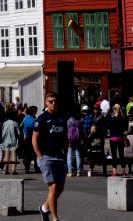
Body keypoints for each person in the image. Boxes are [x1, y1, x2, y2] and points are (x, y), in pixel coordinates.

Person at [33, 92, 67, 221]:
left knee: (60, 188)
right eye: (51, 101)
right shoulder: (41, 119)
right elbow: (34, 140)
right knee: (52, 187)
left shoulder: (61, 118)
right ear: (46, 103)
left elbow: (65, 138)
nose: (54, 104)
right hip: (46, 156)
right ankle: (55, 218)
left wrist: (66, 153)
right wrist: (40, 157)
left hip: (60, 156)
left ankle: (44, 208)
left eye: (56, 101)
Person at [105, 103, 128, 177]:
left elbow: (108, 127)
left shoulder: (111, 118)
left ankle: (114, 171)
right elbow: (125, 129)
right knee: (121, 155)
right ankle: (124, 171)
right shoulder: (123, 118)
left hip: (113, 138)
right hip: (120, 138)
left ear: (114, 109)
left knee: (114, 155)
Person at [1, 104, 21, 175]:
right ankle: (13, 170)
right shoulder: (15, 123)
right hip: (14, 140)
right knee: (14, 154)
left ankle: (5, 169)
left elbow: (2, 132)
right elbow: (19, 133)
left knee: (6, 155)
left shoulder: (4, 123)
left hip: (6, 140)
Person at [65, 111, 83, 177]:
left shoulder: (68, 122)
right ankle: (78, 171)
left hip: (70, 140)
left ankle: (70, 171)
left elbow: (66, 131)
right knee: (78, 155)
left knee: (69, 155)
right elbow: (81, 131)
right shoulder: (79, 122)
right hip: (77, 140)